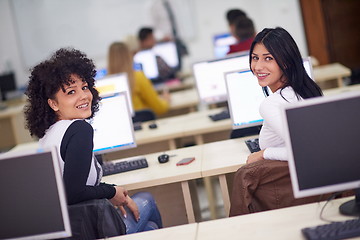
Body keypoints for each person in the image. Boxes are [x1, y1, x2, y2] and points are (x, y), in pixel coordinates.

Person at [23, 48, 163, 234]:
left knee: (149, 228)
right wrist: (112, 192)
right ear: (53, 103)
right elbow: (73, 192)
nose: (83, 96)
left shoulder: (48, 135)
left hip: (70, 232)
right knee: (147, 200)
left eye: (85, 87)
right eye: (71, 92)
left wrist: (109, 191)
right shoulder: (79, 129)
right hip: (90, 230)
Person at [247, 27, 323, 163]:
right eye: (255, 58)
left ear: (286, 61)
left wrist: (264, 153)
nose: (258, 67)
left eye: (268, 58)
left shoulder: (271, 104)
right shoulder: (307, 91)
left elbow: (308, 149)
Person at [108, 42, 170, 116]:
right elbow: (159, 108)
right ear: (129, 55)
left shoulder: (107, 82)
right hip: (143, 125)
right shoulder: (138, 77)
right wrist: (166, 100)